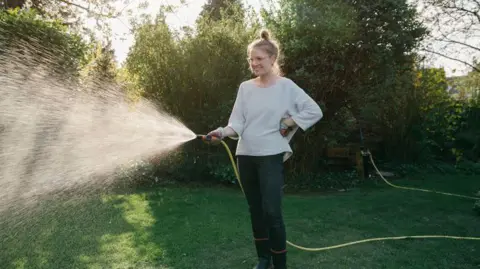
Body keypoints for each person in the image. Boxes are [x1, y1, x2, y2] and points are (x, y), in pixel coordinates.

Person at [207, 29, 323, 269]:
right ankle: (263, 259)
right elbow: (237, 122)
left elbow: (314, 111)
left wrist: (290, 122)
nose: (254, 63)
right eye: (251, 59)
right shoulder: (245, 88)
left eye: (259, 59)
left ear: (272, 59)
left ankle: (280, 264)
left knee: (272, 211)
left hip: (270, 155)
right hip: (245, 155)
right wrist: (221, 132)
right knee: (256, 210)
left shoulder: (287, 87)